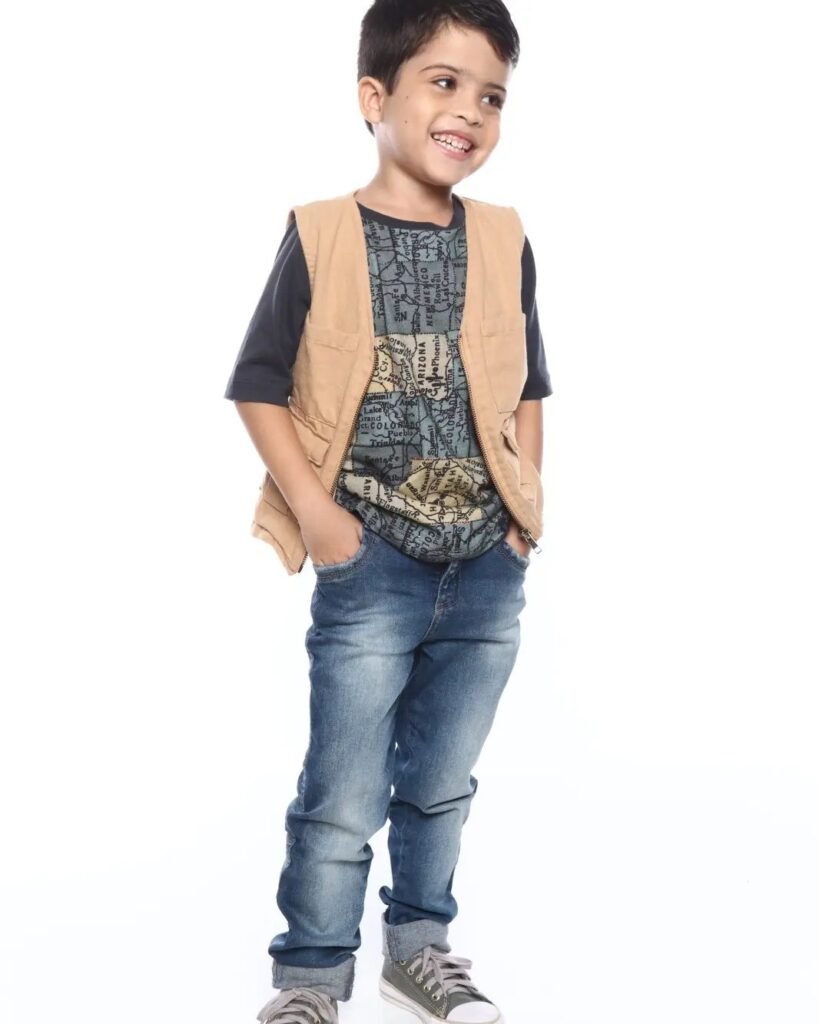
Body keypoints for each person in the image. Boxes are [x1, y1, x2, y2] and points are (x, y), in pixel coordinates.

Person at [224, 2, 553, 1021]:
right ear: (375, 97)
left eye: (491, 95)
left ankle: (419, 954)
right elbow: (257, 384)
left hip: (485, 566)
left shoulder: (503, 238)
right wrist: (321, 519)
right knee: (342, 794)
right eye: (443, 84)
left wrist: (524, 516)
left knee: (442, 781)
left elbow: (529, 385)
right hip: (369, 563)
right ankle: (310, 979)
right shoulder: (321, 233)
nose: (469, 112)